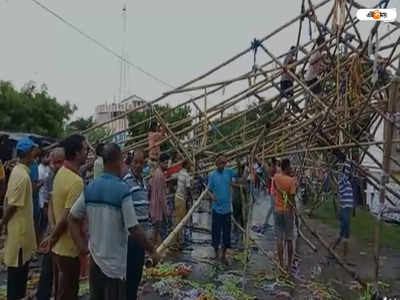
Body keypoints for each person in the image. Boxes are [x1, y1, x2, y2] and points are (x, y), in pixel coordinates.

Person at [69, 144, 158, 300]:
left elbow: (72, 217)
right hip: (115, 267)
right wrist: (152, 249)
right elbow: (134, 228)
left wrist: (82, 246)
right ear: (119, 161)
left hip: (95, 262)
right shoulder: (122, 190)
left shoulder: (90, 187)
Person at [41, 134, 88, 300]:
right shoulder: (76, 181)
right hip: (68, 248)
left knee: (60, 292)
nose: (87, 152)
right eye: (85, 149)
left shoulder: (60, 173)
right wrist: (52, 237)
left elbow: (53, 207)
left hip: (58, 248)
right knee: (67, 293)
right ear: (76, 153)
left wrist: (52, 235)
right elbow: (68, 218)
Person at [0, 138, 38, 300]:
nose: (36, 154)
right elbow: (12, 205)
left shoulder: (19, 172)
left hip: (20, 235)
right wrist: (2, 223)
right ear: (29, 153)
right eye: (34, 151)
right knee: (17, 282)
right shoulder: (22, 176)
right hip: (20, 237)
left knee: (19, 280)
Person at [122, 149, 151, 300]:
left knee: (137, 272)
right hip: (132, 236)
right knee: (130, 273)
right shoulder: (126, 181)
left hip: (142, 234)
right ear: (131, 163)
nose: (139, 165)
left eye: (141, 162)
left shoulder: (143, 181)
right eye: (136, 162)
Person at [36, 148, 65, 300]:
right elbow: (48, 205)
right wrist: (53, 226)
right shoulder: (50, 178)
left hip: (65, 231)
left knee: (63, 272)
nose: (56, 165)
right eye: (55, 162)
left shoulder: (70, 177)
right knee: (48, 269)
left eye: (60, 162)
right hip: (53, 231)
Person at [208, 155, 237, 262]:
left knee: (226, 233)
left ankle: (224, 255)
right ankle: (216, 253)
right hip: (216, 209)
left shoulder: (229, 172)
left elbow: (239, 173)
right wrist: (211, 196)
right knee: (216, 232)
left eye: (223, 163)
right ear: (216, 164)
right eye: (220, 163)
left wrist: (241, 162)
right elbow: (209, 189)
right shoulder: (212, 175)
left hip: (227, 209)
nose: (222, 165)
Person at [273, 158, 296, 273]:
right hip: (287, 211)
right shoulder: (291, 181)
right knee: (289, 238)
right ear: (286, 167)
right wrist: (294, 209)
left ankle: (281, 263)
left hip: (277, 210)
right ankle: (289, 264)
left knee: (279, 238)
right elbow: (292, 199)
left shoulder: (276, 177)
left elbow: (275, 191)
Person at [331, 161, 354, 260]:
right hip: (344, 209)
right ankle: (344, 255)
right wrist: (348, 160)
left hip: (347, 209)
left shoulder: (346, 181)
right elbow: (347, 169)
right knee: (346, 232)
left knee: (343, 233)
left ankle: (332, 249)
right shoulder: (343, 180)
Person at [149, 153, 170, 247]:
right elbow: (162, 196)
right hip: (158, 209)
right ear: (160, 163)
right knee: (158, 232)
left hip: (154, 207)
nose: (167, 166)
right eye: (165, 163)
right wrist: (166, 211)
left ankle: (153, 251)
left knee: (155, 231)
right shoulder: (160, 175)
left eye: (167, 163)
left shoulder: (156, 173)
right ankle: (155, 252)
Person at [173, 160, 192, 251]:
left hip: (177, 197)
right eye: (189, 164)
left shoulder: (180, 172)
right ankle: (178, 241)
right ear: (186, 165)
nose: (190, 166)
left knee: (177, 219)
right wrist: (190, 199)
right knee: (181, 221)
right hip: (182, 199)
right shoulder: (186, 175)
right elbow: (188, 188)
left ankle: (176, 240)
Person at [305, 35, 326, 111]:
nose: (325, 45)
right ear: (321, 43)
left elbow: (319, 65)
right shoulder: (316, 52)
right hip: (311, 77)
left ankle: (314, 108)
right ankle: (316, 110)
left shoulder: (319, 53)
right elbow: (311, 61)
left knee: (318, 94)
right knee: (319, 94)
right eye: (324, 43)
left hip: (311, 77)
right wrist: (320, 58)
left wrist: (323, 67)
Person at [38, 151, 51, 237]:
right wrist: (44, 180)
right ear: (42, 158)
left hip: (47, 198)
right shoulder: (40, 169)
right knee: (43, 219)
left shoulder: (48, 168)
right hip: (41, 198)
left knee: (46, 220)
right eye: (47, 157)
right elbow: (38, 185)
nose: (49, 159)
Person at [264, 158, 279, 229]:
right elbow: (270, 179)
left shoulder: (272, 169)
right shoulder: (272, 169)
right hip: (273, 190)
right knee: (273, 207)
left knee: (272, 207)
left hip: (272, 190)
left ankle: (266, 222)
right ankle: (272, 223)